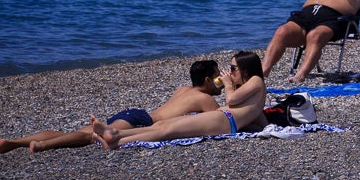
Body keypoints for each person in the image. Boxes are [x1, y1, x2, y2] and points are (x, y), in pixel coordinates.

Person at [0, 60, 223, 155]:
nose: (220, 80)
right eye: (217, 77)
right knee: (90, 138)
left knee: (77, 134)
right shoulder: (205, 99)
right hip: (141, 122)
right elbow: (221, 120)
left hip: (134, 113)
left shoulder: (183, 89)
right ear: (206, 81)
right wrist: (231, 88)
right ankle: (42, 145)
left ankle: (14, 142)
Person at [93, 50, 267, 149]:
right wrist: (262, 126)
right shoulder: (251, 88)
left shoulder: (256, 80)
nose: (229, 72)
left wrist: (228, 85)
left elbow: (233, 99)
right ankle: (116, 134)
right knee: (162, 126)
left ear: (245, 70)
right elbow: (257, 115)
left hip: (224, 120)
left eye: (233, 68)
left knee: (168, 131)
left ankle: (118, 142)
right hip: (223, 119)